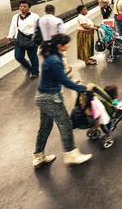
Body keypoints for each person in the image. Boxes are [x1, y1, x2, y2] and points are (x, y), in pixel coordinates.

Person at [33, 34, 94, 168]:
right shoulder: (55, 59)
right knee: (65, 124)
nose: (69, 44)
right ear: (60, 46)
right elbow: (65, 82)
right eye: (67, 43)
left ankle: (38, 156)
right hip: (51, 99)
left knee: (45, 127)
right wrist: (84, 88)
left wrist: (73, 82)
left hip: (42, 97)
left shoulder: (52, 57)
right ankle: (71, 154)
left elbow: (55, 79)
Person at [7, 0, 40, 79]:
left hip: (32, 39)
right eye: (21, 6)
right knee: (18, 56)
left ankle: (35, 72)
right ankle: (29, 68)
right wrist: (9, 37)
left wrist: (39, 39)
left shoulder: (35, 16)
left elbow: (39, 27)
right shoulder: (15, 17)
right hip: (19, 39)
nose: (22, 8)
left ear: (29, 8)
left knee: (32, 56)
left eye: (24, 7)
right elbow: (13, 27)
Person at [38, 4, 71, 75]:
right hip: (56, 43)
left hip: (45, 43)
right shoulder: (58, 20)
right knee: (61, 57)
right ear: (53, 11)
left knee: (47, 58)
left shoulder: (40, 20)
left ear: (45, 11)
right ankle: (65, 70)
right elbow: (62, 33)